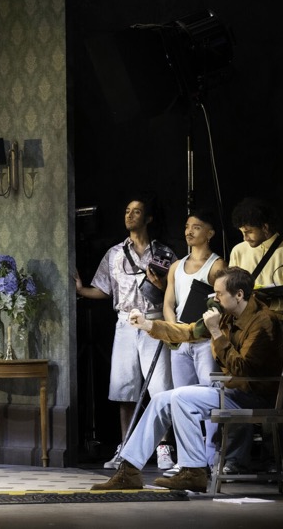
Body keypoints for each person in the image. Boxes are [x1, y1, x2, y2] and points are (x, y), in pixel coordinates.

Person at [92, 267, 283, 492]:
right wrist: (148, 325)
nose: (214, 299)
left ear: (239, 295)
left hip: (253, 395)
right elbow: (188, 332)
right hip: (232, 391)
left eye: (219, 293)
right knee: (161, 400)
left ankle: (193, 471)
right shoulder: (227, 315)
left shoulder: (263, 322)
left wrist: (216, 332)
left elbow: (243, 370)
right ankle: (129, 470)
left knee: (182, 398)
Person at [75, 195, 176, 471]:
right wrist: (81, 290)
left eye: (137, 211)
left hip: (154, 322)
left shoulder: (164, 253)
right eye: (127, 211)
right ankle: (127, 447)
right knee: (125, 389)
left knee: (161, 388)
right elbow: (104, 289)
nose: (130, 215)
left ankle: (164, 447)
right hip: (125, 324)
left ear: (149, 218)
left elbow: (176, 290)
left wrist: (163, 285)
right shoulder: (115, 253)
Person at [224, 197, 283, 474]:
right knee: (238, 384)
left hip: (279, 324)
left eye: (249, 231)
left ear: (266, 227)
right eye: (241, 232)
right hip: (245, 326)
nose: (245, 237)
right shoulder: (238, 250)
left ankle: (275, 457)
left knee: (279, 388)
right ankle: (235, 458)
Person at [161, 208, 226, 473]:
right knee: (181, 399)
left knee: (210, 397)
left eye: (196, 227)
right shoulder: (176, 266)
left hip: (204, 340)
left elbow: (219, 304)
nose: (189, 231)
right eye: (187, 226)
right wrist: (174, 328)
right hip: (181, 341)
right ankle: (187, 460)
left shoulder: (217, 265)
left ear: (209, 233)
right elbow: (169, 303)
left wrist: (197, 328)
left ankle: (211, 457)